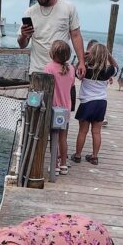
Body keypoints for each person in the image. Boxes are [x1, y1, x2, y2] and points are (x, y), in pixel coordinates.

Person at [18, 0, 86, 78]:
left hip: (63, 72)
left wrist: (81, 62)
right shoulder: (30, 12)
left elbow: (76, 35)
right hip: (37, 73)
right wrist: (23, 35)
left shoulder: (68, 8)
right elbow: (22, 45)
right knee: (36, 95)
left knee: (65, 95)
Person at [71, 42, 117, 166]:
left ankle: (77, 155)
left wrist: (82, 59)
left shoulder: (85, 70)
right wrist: (109, 56)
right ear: (105, 56)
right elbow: (116, 67)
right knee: (96, 132)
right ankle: (94, 157)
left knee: (83, 131)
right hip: (101, 103)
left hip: (87, 103)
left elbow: (74, 71)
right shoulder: (108, 71)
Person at [45, 40, 75, 175]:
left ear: (53, 53)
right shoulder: (71, 69)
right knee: (63, 138)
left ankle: (54, 165)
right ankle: (63, 164)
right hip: (66, 109)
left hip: (53, 109)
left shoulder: (49, 68)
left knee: (53, 138)